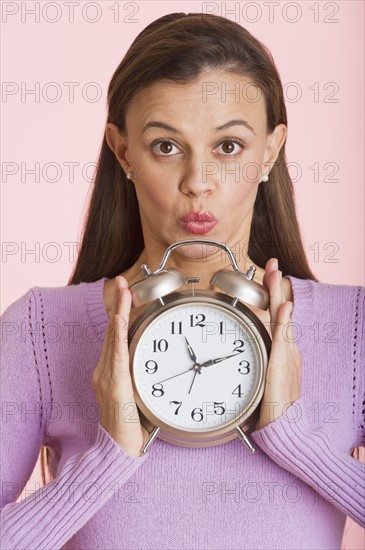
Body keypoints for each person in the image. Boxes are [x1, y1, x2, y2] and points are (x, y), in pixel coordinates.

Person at [1, 12, 364, 550]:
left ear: (270, 151)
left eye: (229, 147)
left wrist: (293, 438)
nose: (198, 183)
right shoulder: (39, 330)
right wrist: (107, 460)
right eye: (166, 146)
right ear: (123, 151)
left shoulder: (353, 327)